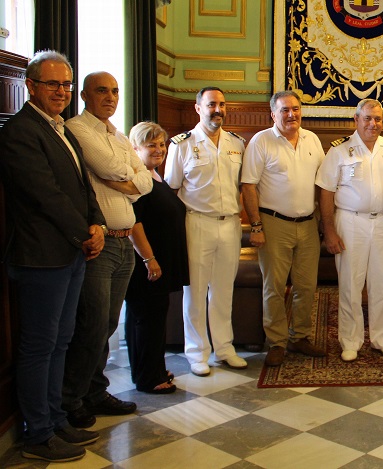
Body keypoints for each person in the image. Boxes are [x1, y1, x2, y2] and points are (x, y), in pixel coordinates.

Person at [0, 50, 105, 462]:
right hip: (42, 257)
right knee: (40, 345)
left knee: (62, 340)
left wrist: (95, 223)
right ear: (31, 86)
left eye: (66, 84)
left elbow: (83, 189)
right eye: (52, 84)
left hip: (73, 251)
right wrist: (85, 232)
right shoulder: (21, 132)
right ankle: (37, 433)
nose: (61, 91)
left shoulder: (62, 129)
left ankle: (57, 419)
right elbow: (45, 195)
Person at [62, 71, 152, 427]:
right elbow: (111, 167)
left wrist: (128, 177)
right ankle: (72, 399)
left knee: (109, 324)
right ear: (84, 94)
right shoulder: (78, 128)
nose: (111, 97)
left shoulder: (116, 132)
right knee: (91, 324)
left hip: (124, 241)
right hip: (98, 246)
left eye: (115, 91)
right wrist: (128, 174)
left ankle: (95, 391)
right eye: (102, 91)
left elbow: (143, 179)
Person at [316, 99, 383, 362]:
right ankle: (350, 340)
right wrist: (329, 231)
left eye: (378, 119)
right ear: (356, 120)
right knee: (350, 283)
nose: (373, 123)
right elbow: (326, 191)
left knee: (382, 284)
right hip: (350, 223)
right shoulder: (339, 151)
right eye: (368, 118)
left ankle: (382, 339)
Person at [165, 87, 248, 376]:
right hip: (196, 221)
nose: (218, 110)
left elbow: (243, 186)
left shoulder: (237, 143)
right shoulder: (182, 144)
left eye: (222, 104)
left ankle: (224, 348)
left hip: (230, 224)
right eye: (212, 104)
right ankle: (197, 352)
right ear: (198, 107)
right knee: (196, 291)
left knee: (224, 290)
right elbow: (171, 189)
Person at [242, 90, 326, 367]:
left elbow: (323, 183)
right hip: (274, 223)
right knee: (275, 287)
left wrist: (325, 219)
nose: (291, 115)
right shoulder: (261, 141)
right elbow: (249, 185)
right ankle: (277, 342)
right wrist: (256, 225)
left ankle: (299, 337)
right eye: (285, 110)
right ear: (273, 114)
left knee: (306, 285)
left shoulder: (312, 139)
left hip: (308, 224)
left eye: (296, 109)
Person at [124, 122, 189, 393]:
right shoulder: (137, 179)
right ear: (135, 148)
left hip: (159, 260)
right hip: (147, 264)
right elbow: (134, 222)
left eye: (162, 144)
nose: (159, 150)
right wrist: (149, 259)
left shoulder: (155, 176)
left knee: (152, 317)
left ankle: (151, 369)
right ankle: (149, 378)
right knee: (146, 319)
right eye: (151, 145)